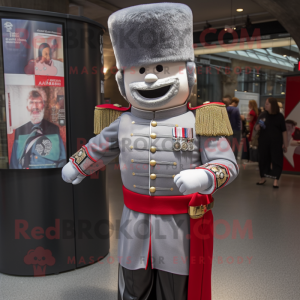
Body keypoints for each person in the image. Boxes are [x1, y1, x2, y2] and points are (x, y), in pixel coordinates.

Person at [61, 4, 239, 300]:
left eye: (161, 69)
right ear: (122, 81)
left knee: (175, 287)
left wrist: (205, 177)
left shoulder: (200, 121)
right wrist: (77, 166)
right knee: (134, 281)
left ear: (189, 74)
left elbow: (227, 164)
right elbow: (99, 147)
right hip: (134, 222)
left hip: (178, 224)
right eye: (141, 71)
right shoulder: (123, 122)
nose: (151, 79)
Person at [10, 89, 66, 169]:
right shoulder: (19, 131)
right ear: (27, 107)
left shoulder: (54, 129)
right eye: (31, 102)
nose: (35, 106)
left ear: (43, 105)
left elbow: (62, 160)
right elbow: (14, 164)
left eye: (39, 102)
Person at [256, 98, 288, 188]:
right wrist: (257, 127)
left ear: (272, 105)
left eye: (267, 104)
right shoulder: (263, 115)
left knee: (277, 160)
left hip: (276, 143)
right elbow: (256, 127)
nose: (265, 105)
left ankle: (276, 180)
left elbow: (284, 131)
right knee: (263, 160)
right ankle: (263, 178)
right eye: (265, 104)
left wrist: (285, 144)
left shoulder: (280, 116)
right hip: (263, 142)